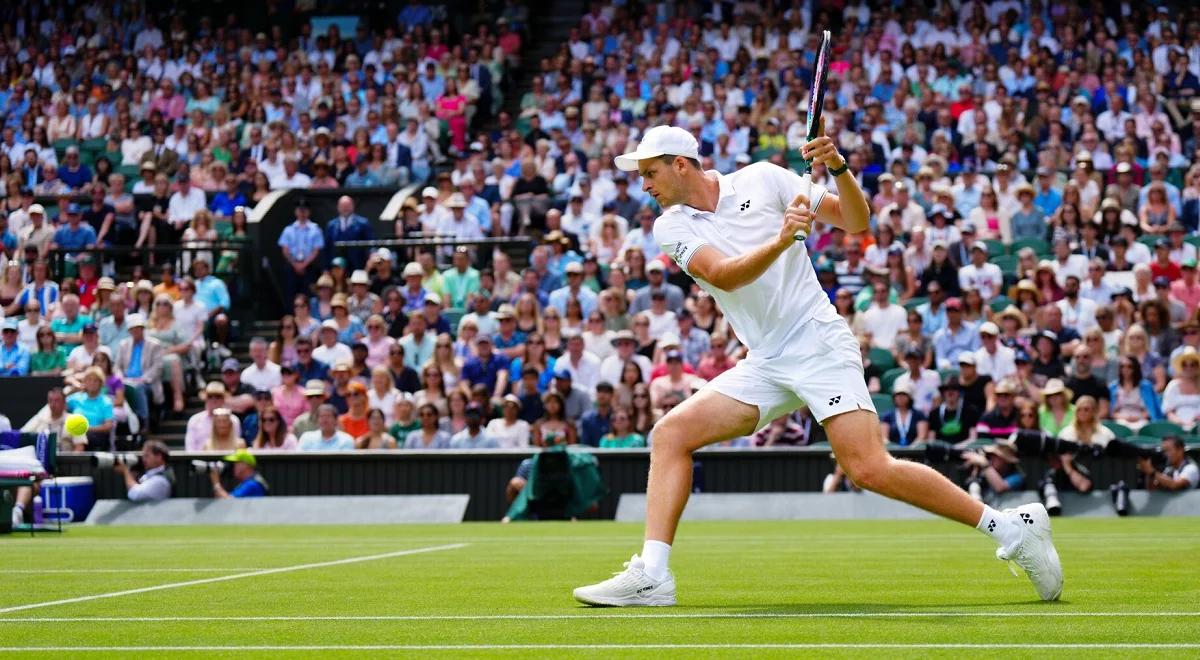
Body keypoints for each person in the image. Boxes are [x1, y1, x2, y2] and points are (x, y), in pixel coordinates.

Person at [575, 125, 1061, 606]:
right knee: (670, 434)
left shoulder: (764, 178)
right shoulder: (671, 224)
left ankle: (1009, 527)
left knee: (868, 468)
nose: (644, 185)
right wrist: (784, 239)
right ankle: (653, 576)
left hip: (818, 343)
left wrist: (842, 169)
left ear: (680, 165)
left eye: (650, 172)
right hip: (766, 360)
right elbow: (723, 275)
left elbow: (855, 220)